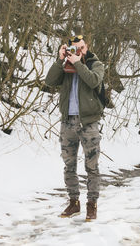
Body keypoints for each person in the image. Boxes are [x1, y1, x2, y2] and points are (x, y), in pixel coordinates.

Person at [45, 35, 104, 221]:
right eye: (74, 49)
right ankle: (73, 202)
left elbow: (94, 81)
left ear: (86, 48)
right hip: (68, 121)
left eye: (81, 48)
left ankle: (92, 205)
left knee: (91, 166)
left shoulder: (96, 64)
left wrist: (79, 63)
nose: (77, 52)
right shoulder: (66, 66)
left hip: (88, 123)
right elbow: (49, 81)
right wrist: (60, 59)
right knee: (69, 165)